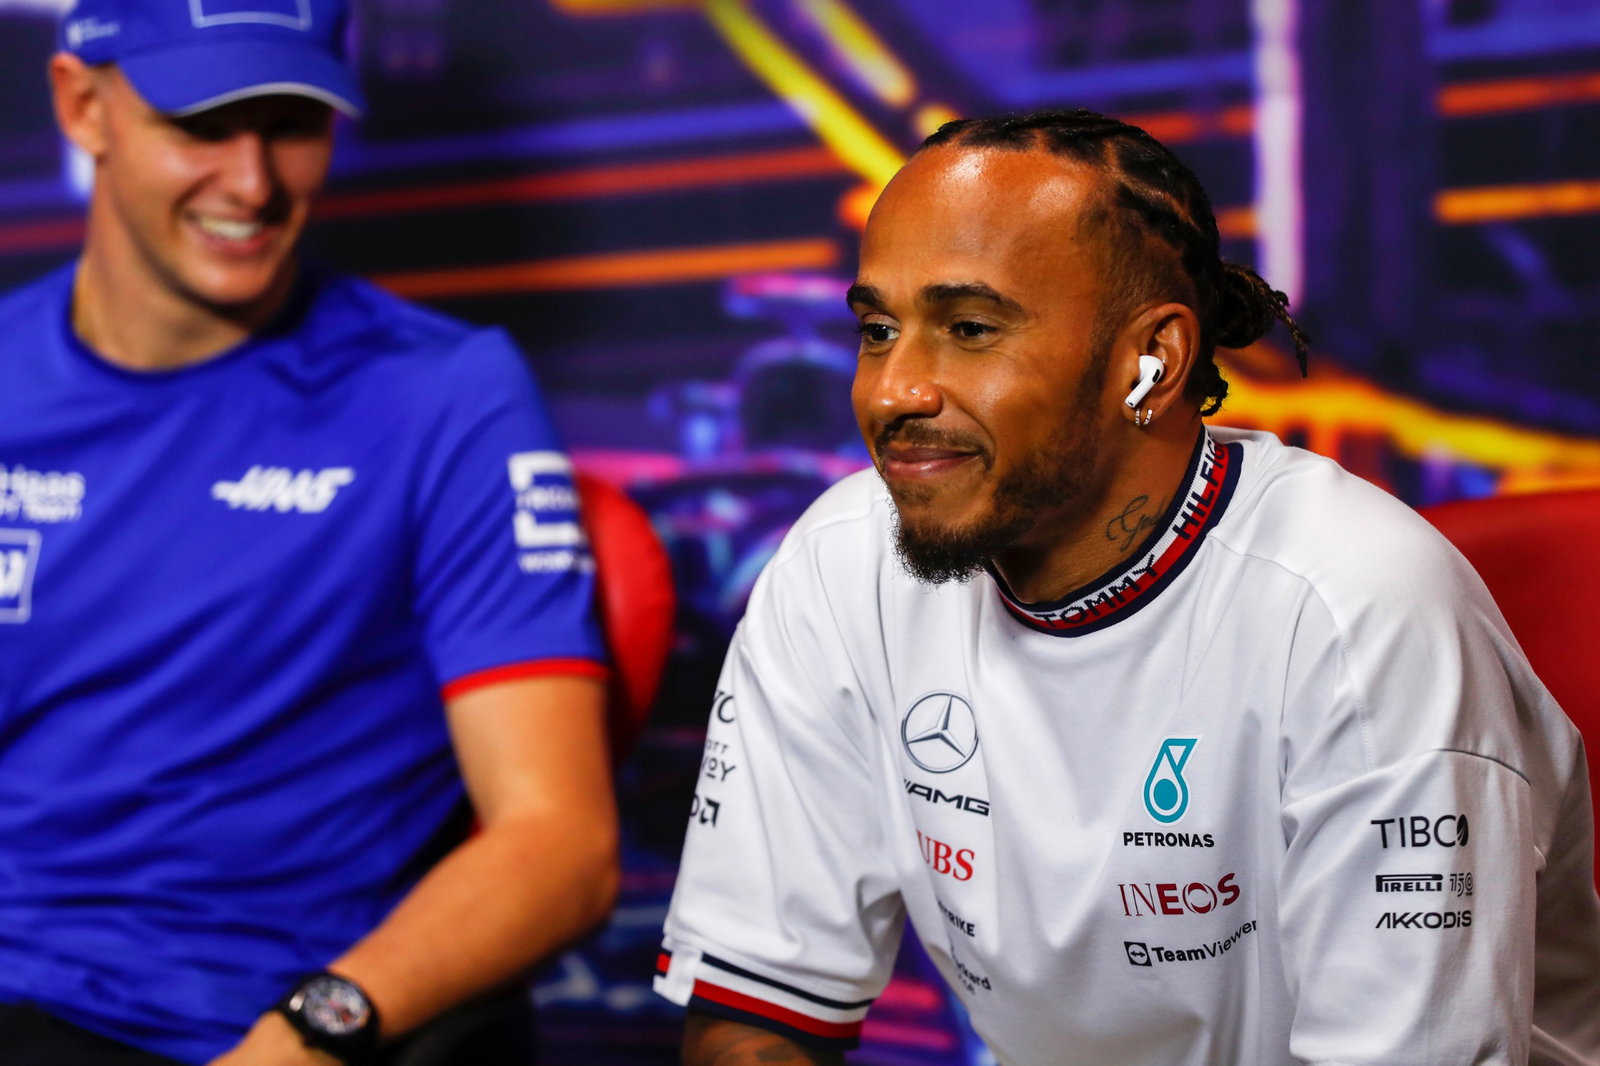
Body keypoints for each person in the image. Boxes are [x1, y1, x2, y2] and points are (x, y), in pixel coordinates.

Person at [654, 109, 1600, 1065]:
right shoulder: (841, 560)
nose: (892, 390)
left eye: (969, 328)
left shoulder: (1360, 609)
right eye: (878, 328)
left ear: (1153, 363)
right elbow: (757, 1017)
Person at [0, 2, 618, 1063]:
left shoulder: (443, 395)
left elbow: (559, 843)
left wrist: (309, 1035)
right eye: (201, 121)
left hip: (242, 1023)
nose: (253, 182)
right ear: (81, 106)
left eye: (292, 121)